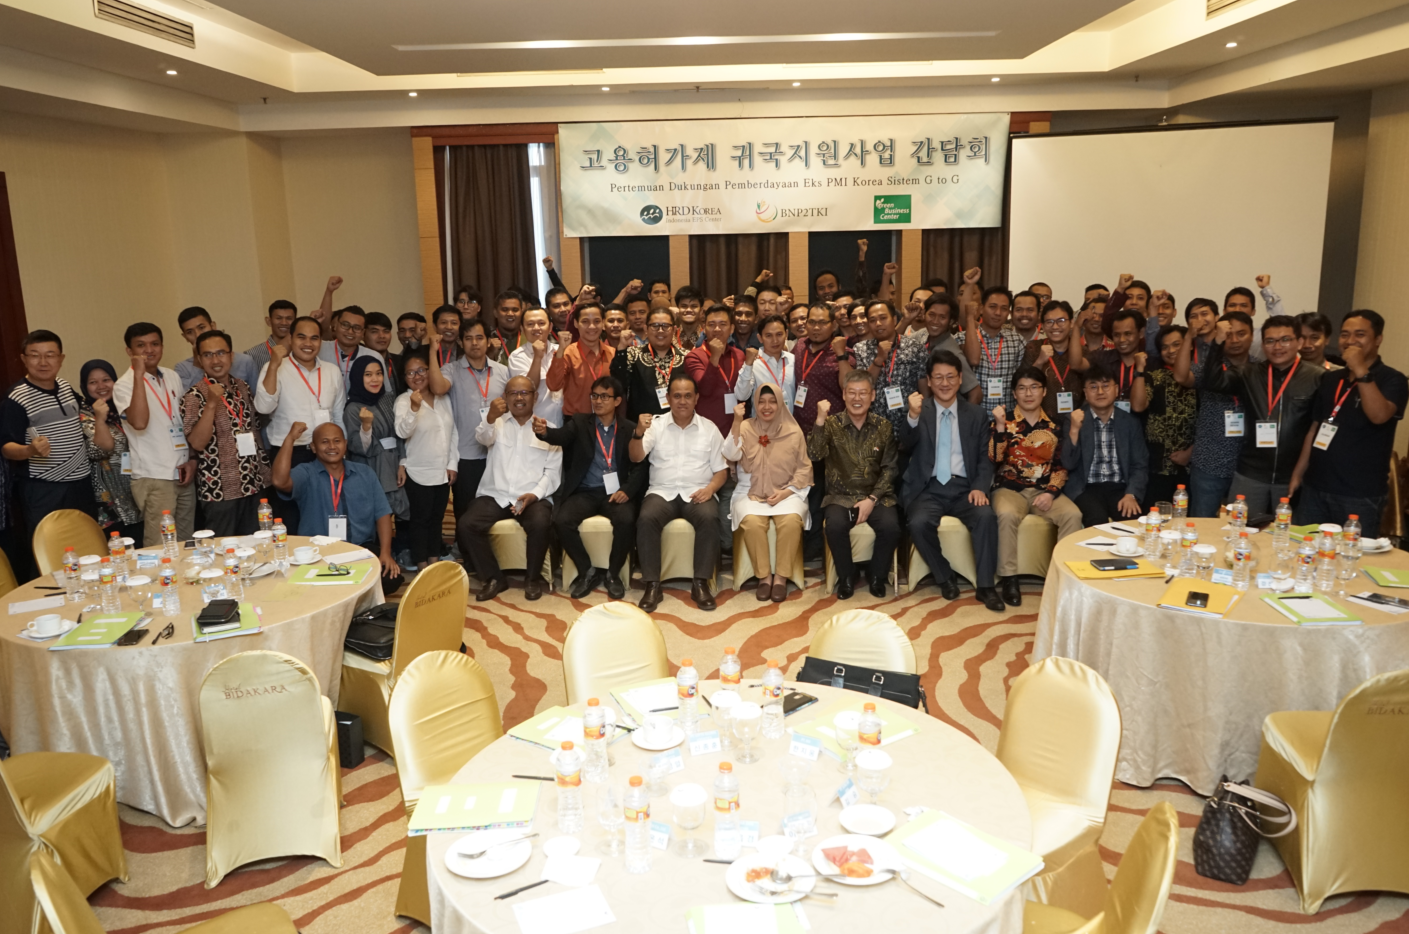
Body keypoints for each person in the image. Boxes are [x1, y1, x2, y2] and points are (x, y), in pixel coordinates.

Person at [899, 350, 1004, 612]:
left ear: (960, 379)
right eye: (938, 377)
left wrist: (979, 487)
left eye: (950, 377)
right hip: (928, 487)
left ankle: (986, 586)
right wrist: (912, 416)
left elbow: (985, 458)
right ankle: (945, 576)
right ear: (929, 381)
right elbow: (904, 446)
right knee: (918, 522)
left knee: (986, 517)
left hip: (965, 488)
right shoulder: (919, 410)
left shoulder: (976, 414)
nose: (944, 383)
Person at [1290, 310, 1407, 537]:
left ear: (1378, 339)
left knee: (1350, 555)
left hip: (1359, 495)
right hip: (1315, 488)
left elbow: (1379, 415)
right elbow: (1315, 428)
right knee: (1306, 549)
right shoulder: (1331, 378)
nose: (1350, 340)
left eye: (1360, 334)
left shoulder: (1393, 379)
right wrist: (1298, 473)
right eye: (1345, 334)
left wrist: (1361, 369)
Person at [1197, 314, 1323, 516]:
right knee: (1239, 528)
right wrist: (1217, 344)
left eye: (1285, 340)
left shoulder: (1317, 377)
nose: (1277, 347)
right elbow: (1213, 382)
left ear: (1299, 342)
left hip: (1292, 476)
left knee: (1289, 533)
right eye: (1270, 341)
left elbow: (1317, 428)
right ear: (1263, 345)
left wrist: (1301, 473)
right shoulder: (1249, 373)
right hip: (1251, 473)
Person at [535, 375, 643, 600]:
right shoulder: (580, 422)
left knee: (626, 520)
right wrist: (544, 432)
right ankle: (587, 571)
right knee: (562, 521)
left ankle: (613, 574)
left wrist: (627, 490)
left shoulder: (630, 429)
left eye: (604, 396)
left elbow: (640, 466)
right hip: (585, 491)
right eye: (595, 396)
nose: (598, 401)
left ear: (617, 401)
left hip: (615, 493)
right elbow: (559, 436)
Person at [630, 374, 728, 613]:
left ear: (696, 398)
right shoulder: (655, 425)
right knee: (646, 518)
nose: (682, 401)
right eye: (677, 396)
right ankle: (652, 585)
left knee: (709, 517)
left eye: (687, 396)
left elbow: (721, 471)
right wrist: (638, 433)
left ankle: (700, 583)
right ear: (668, 398)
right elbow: (636, 456)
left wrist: (710, 489)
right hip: (662, 492)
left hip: (698, 492)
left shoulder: (709, 429)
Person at [458, 376, 561, 602]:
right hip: (496, 494)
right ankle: (494, 578)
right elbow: (482, 438)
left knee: (540, 522)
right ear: (505, 397)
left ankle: (532, 579)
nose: (519, 397)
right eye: (513, 393)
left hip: (532, 496)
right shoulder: (496, 423)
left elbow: (553, 473)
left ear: (535, 397)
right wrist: (490, 416)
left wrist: (534, 495)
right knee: (467, 524)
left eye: (524, 393)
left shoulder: (549, 430)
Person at [989, 367, 1084, 606]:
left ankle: (1063, 577)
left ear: (1044, 391)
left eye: (1034, 387)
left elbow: (1061, 466)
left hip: (1044, 489)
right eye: (1022, 388)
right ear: (1014, 393)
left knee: (1073, 515)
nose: (1028, 393)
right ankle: (1009, 578)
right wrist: (999, 427)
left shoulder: (1055, 424)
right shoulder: (1004, 420)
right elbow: (994, 459)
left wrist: (1051, 493)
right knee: (1007, 514)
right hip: (1009, 489)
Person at [271, 421, 402, 592]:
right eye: (324, 442)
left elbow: (382, 513)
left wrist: (385, 553)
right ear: (313, 447)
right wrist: (290, 439)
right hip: (318, 553)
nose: (332, 446)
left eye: (337, 441)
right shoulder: (306, 473)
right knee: (322, 586)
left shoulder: (364, 473)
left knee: (391, 579)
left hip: (359, 550)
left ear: (345, 445)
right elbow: (279, 481)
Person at [807, 372, 900, 598]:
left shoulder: (883, 426)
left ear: (873, 396)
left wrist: (872, 499)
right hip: (841, 496)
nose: (857, 398)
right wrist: (819, 420)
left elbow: (890, 468)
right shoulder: (831, 424)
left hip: (876, 496)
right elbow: (814, 454)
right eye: (852, 393)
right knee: (835, 526)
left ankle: (877, 576)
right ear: (844, 394)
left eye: (863, 393)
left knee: (891, 527)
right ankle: (847, 576)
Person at [255, 315, 345, 534]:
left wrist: (342, 452)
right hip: (289, 453)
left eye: (314, 338)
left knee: (326, 511)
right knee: (290, 517)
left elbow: (338, 415)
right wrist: (274, 366)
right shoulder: (275, 367)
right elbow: (263, 407)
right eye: (301, 337)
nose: (308, 343)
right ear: (291, 338)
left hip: (325, 453)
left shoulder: (332, 371)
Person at [723, 384, 812, 602]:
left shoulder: (793, 431)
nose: (766, 406)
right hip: (750, 491)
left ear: (780, 403)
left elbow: (804, 468)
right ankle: (764, 578)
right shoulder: (746, 426)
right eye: (761, 402)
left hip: (787, 491)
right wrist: (736, 422)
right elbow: (730, 454)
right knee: (752, 523)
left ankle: (780, 578)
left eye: (772, 401)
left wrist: (786, 492)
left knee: (791, 521)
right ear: (755, 404)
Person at [1, 331, 96, 533]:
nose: (43, 362)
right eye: (35, 355)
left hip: (81, 482)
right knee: (51, 545)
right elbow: (6, 448)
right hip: (45, 488)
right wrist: (30, 450)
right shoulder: (15, 398)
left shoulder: (65, 386)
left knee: (88, 540)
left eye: (50, 355)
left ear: (61, 359)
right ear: (24, 359)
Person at [180, 331, 271, 536]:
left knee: (258, 543)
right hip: (220, 489)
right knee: (224, 548)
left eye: (221, 353)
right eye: (208, 355)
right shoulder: (194, 395)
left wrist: (265, 472)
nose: (215, 360)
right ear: (199, 360)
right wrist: (212, 403)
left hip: (254, 482)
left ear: (231, 356)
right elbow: (197, 443)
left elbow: (254, 429)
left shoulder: (242, 387)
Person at [113, 323, 196, 543]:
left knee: (186, 543)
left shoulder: (171, 376)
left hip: (182, 471)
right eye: (141, 345)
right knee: (160, 545)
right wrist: (139, 376)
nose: (149, 350)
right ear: (129, 351)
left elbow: (182, 421)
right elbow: (139, 422)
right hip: (154, 475)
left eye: (155, 344)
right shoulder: (123, 385)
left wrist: (191, 459)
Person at [427, 320, 510, 523]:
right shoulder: (452, 369)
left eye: (479, 338)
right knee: (465, 511)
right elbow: (437, 388)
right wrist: (432, 352)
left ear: (488, 342)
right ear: (461, 343)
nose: (474, 343)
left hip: (497, 453)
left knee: (496, 510)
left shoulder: (502, 371)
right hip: (465, 454)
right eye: (468, 338)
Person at [1173, 304, 1252, 517]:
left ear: (1252, 336)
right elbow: (1181, 376)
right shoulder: (1211, 366)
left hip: (1248, 466)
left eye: (1241, 334)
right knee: (1202, 523)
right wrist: (1188, 337)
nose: (1235, 340)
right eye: (1229, 335)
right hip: (1210, 461)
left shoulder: (1261, 369)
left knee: (1243, 525)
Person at [1061, 365, 1149, 527]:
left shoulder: (1130, 422)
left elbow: (1140, 464)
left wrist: (1131, 494)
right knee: (1096, 519)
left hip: (1120, 487)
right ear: (1085, 392)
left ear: (1116, 390)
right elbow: (1068, 463)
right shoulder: (1074, 419)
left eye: (1106, 386)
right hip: (1086, 488)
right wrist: (1074, 430)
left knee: (1133, 520)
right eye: (1093, 387)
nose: (1100, 392)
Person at [395, 349, 458, 571]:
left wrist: (452, 463)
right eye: (410, 373)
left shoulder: (443, 398)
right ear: (404, 378)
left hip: (442, 471)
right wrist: (414, 408)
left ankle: (434, 561)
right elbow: (402, 432)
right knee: (420, 520)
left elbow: (453, 433)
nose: (417, 376)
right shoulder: (403, 400)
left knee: (437, 518)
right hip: (418, 471)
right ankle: (422, 565)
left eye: (421, 370)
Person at [341, 355, 408, 533]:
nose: (375, 379)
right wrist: (366, 426)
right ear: (358, 377)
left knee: (401, 511)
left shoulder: (388, 399)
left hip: (394, 462)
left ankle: (399, 547)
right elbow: (356, 447)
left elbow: (400, 433)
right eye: (368, 374)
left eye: (379, 373)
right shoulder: (353, 408)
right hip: (372, 466)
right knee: (376, 512)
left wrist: (402, 463)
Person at [1132, 325, 1197, 507]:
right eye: (1165, 347)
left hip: (1191, 466)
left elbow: (1209, 421)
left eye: (1177, 344)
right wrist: (1140, 370)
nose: (1171, 351)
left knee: (1186, 518)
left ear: (1189, 345)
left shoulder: (1199, 377)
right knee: (1155, 517)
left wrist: (1190, 452)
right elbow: (1138, 406)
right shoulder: (1154, 376)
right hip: (1157, 465)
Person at [78, 359, 142, 543]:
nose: (101, 386)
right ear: (85, 386)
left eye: (106, 380)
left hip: (135, 491)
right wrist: (100, 418)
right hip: (109, 499)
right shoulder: (83, 414)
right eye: (93, 382)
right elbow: (100, 450)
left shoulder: (124, 409)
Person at [848, 300, 932, 435]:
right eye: (872, 320)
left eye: (883, 318)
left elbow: (924, 390)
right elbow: (863, 385)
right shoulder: (861, 349)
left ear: (894, 320)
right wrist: (879, 359)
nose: (878, 324)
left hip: (908, 422)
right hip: (873, 427)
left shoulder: (915, 348)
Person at [611, 306, 688, 423]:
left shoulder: (687, 357)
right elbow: (618, 384)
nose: (660, 330)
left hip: (679, 423)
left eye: (666, 326)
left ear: (674, 330)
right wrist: (621, 348)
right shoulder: (632, 354)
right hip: (642, 425)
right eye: (655, 326)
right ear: (646, 329)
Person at [960, 286, 1025, 415]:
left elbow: (1021, 380)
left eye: (1004, 308)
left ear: (1009, 312)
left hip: (1009, 414)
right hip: (976, 415)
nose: (998, 313)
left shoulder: (1017, 341)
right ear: (981, 308)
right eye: (992, 307)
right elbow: (972, 360)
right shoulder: (962, 338)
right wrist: (970, 317)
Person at [547, 301, 615, 417]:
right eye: (585, 322)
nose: (592, 326)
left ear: (603, 323)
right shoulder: (568, 352)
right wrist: (560, 351)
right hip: (576, 420)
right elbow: (554, 385)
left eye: (597, 321)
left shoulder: (612, 353)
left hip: (606, 419)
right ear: (576, 323)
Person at [1023, 301, 1086, 420]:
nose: (1055, 326)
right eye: (1049, 322)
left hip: (1077, 420)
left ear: (1071, 323)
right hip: (1041, 421)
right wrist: (1039, 361)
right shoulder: (1033, 348)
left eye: (1061, 321)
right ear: (1042, 325)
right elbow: (1023, 383)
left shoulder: (1082, 352)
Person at [174, 307, 258, 392]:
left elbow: (256, 396)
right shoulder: (182, 368)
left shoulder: (245, 361)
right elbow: (190, 398)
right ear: (185, 337)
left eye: (201, 327)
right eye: (189, 332)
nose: (197, 335)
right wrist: (198, 363)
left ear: (213, 326)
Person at [913, 294, 979, 401]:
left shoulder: (953, 352)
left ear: (951, 321)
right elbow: (897, 343)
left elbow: (976, 393)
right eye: (931, 315)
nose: (935, 321)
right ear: (924, 314)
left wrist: (966, 412)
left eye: (942, 317)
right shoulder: (922, 335)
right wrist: (906, 319)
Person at [509, 307, 564, 426]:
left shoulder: (561, 350)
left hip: (564, 424)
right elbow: (528, 389)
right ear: (522, 329)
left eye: (541, 323)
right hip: (536, 425)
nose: (536, 328)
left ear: (550, 327)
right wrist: (537, 358)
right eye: (530, 324)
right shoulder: (517, 356)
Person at [1083, 308, 1147, 405]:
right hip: (1109, 414)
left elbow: (1139, 406)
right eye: (1117, 335)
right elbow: (1076, 364)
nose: (1122, 339)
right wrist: (1077, 327)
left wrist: (1140, 370)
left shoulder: (1152, 364)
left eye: (1128, 334)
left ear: (1141, 333)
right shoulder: (1101, 358)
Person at [319, 305, 379, 405]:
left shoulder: (374, 357)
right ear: (335, 326)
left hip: (360, 411)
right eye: (345, 325)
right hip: (324, 410)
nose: (350, 331)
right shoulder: (319, 349)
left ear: (363, 332)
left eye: (357, 328)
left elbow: (386, 394)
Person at [735, 314, 796, 410]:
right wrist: (748, 365)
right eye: (768, 335)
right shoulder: (754, 363)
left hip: (790, 418)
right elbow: (741, 395)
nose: (775, 340)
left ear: (786, 334)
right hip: (763, 418)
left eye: (779, 334)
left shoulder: (793, 360)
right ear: (760, 338)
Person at [245, 299, 297, 378]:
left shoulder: (302, 351)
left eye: (289, 318)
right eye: (279, 318)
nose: (284, 323)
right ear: (269, 321)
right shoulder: (252, 355)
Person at [362, 311, 401, 395]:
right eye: (374, 331)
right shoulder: (356, 362)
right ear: (362, 334)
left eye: (386, 331)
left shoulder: (400, 361)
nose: (382, 336)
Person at [489, 290, 527, 363]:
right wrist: (490, 354)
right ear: (495, 313)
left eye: (515, 310)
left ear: (522, 312)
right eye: (505, 310)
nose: (510, 314)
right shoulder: (486, 340)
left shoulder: (530, 339)